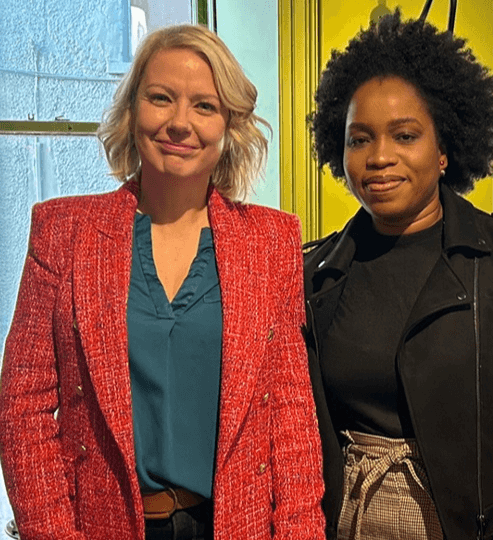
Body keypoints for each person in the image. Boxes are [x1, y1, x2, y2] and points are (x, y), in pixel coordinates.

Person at [0, 24, 325, 540]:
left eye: (204, 105)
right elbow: (24, 408)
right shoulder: (63, 233)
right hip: (100, 527)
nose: (179, 123)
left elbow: (290, 416)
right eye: (160, 98)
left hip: (233, 525)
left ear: (229, 126)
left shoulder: (271, 241)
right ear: (132, 114)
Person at [305, 11, 493, 540]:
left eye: (405, 135)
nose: (380, 157)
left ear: (445, 148)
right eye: (359, 139)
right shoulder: (316, 274)